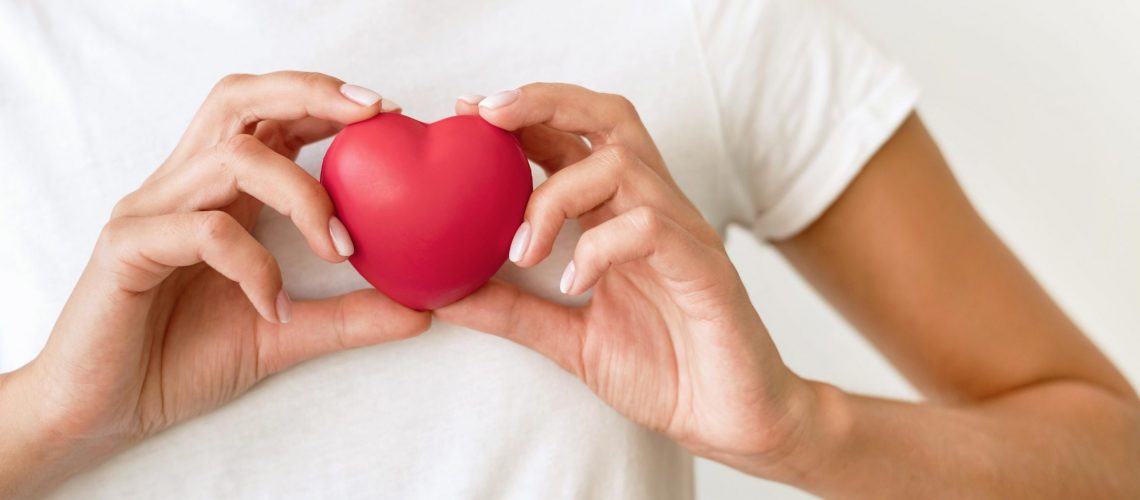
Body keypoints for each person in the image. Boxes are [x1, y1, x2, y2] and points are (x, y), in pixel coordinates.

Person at [1, 0, 1137, 498]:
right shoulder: (23, 49)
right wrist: (52, 409)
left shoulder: (700, 19)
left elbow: (1112, 455)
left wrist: (799, 427)